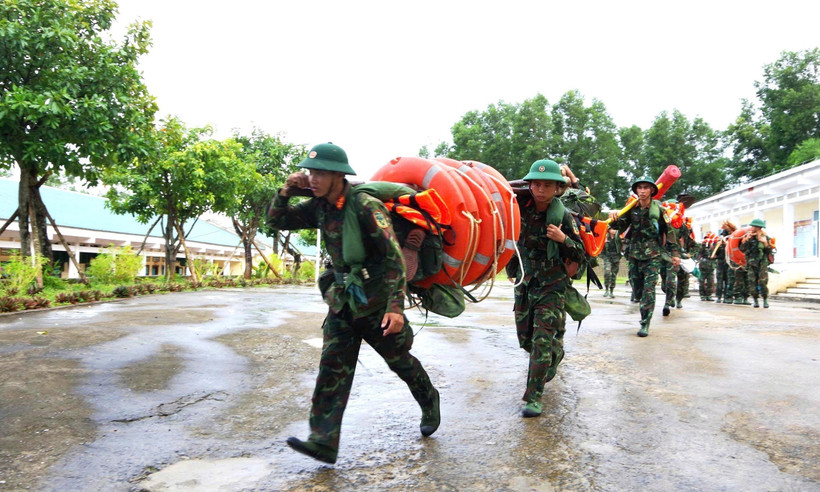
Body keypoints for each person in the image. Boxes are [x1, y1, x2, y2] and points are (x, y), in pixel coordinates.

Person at [268, 142, 440, 464]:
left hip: (376, 304)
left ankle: (430, 399)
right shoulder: (320, 206)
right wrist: (285, 191)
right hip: (343, 302)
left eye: (321, 173)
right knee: (331, 370)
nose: (313, 179)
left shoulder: (365, 206)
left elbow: (394, 260)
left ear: (338, 176)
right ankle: (323, 441)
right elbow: (277, 221)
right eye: (311, 172)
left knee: (400, 362)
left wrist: (395, 308)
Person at [505, 159, 585, 418]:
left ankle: (533, 396)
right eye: (536, 184)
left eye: (547, 185)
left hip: (552, 285)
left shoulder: (562, 215)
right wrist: (511, 271)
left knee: (541, 340)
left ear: (557, 188)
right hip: (525, 284)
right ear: (529, 185)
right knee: (526, 339)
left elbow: (582, 253)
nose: (540, 189)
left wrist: (563, 239)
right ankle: (556, 351)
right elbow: (511, 241)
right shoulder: (518, 208)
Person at [608, 178, 680, 337]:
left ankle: (645, 323)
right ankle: (643, 306)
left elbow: (669, 232)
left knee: (649, 290)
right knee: (637, 288)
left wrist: (674, 254)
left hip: (653, 255)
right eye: (639, 188)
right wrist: (614, 218)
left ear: (652, 191)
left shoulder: (659, 211)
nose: (642, 191)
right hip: (634, 254)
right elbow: (619, 226)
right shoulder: (631, 209)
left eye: (645, 188)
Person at [740, 218, 774, 308]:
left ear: (759, 227)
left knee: (763, 282)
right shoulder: (749, 237)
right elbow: (742, 249)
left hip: (762, 262)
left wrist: (765, 243)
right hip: (751, 263)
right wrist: (747, 240)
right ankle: (755, 300)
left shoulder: (765, 238)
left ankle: (765, 299)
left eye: (753, 226)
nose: (751, 228)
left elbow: (769, 252)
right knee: (752, 282)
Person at [601, 228, 622, 298]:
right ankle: (606, 289)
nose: (614, 230)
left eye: (615, 229)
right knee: (607, 272)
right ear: (609, 230)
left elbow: (623, 244)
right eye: (612, 229)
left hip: (616, 257)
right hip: (607, 257)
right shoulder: (605, 237)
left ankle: (611, 291)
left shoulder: (618, 237)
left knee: (613, 274)